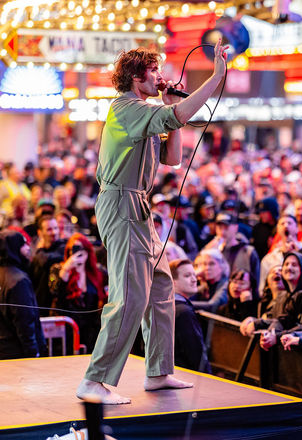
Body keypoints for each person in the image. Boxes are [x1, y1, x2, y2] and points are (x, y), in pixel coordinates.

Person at [77, 40, 228, 404]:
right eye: (155, 70)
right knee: (130, 296)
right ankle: (94, 381)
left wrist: (171, 105)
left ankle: (159, 372)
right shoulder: (125, 108)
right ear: (136, 76)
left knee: (161, 287)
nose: (161, 76)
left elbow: (173, 158)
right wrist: (217, 76)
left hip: (138, 206)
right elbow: (175, 119)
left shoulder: (144, 109)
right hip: (122, 203)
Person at [48, 233, 108, 352]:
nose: (76, 253)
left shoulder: (98, 271)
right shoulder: (58, 269)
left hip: (91, 329)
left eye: (80, 249)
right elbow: (54, 291)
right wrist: (66, 268)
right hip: (67, 329)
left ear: (87, 251)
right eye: (72, 249)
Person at [0, 230, 46, 359]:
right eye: (23, 244)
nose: (28, 249)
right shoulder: (18, 281)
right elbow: (25, 322)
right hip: (17, 354)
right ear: (14, 248)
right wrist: (33, 352)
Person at [169, 259, 211, 373]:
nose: (194, 279)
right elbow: (196, 355)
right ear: (173, 281)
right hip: (186, 378)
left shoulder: (165, 305)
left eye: (194, 275)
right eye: (187, 276)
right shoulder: (184, 313)